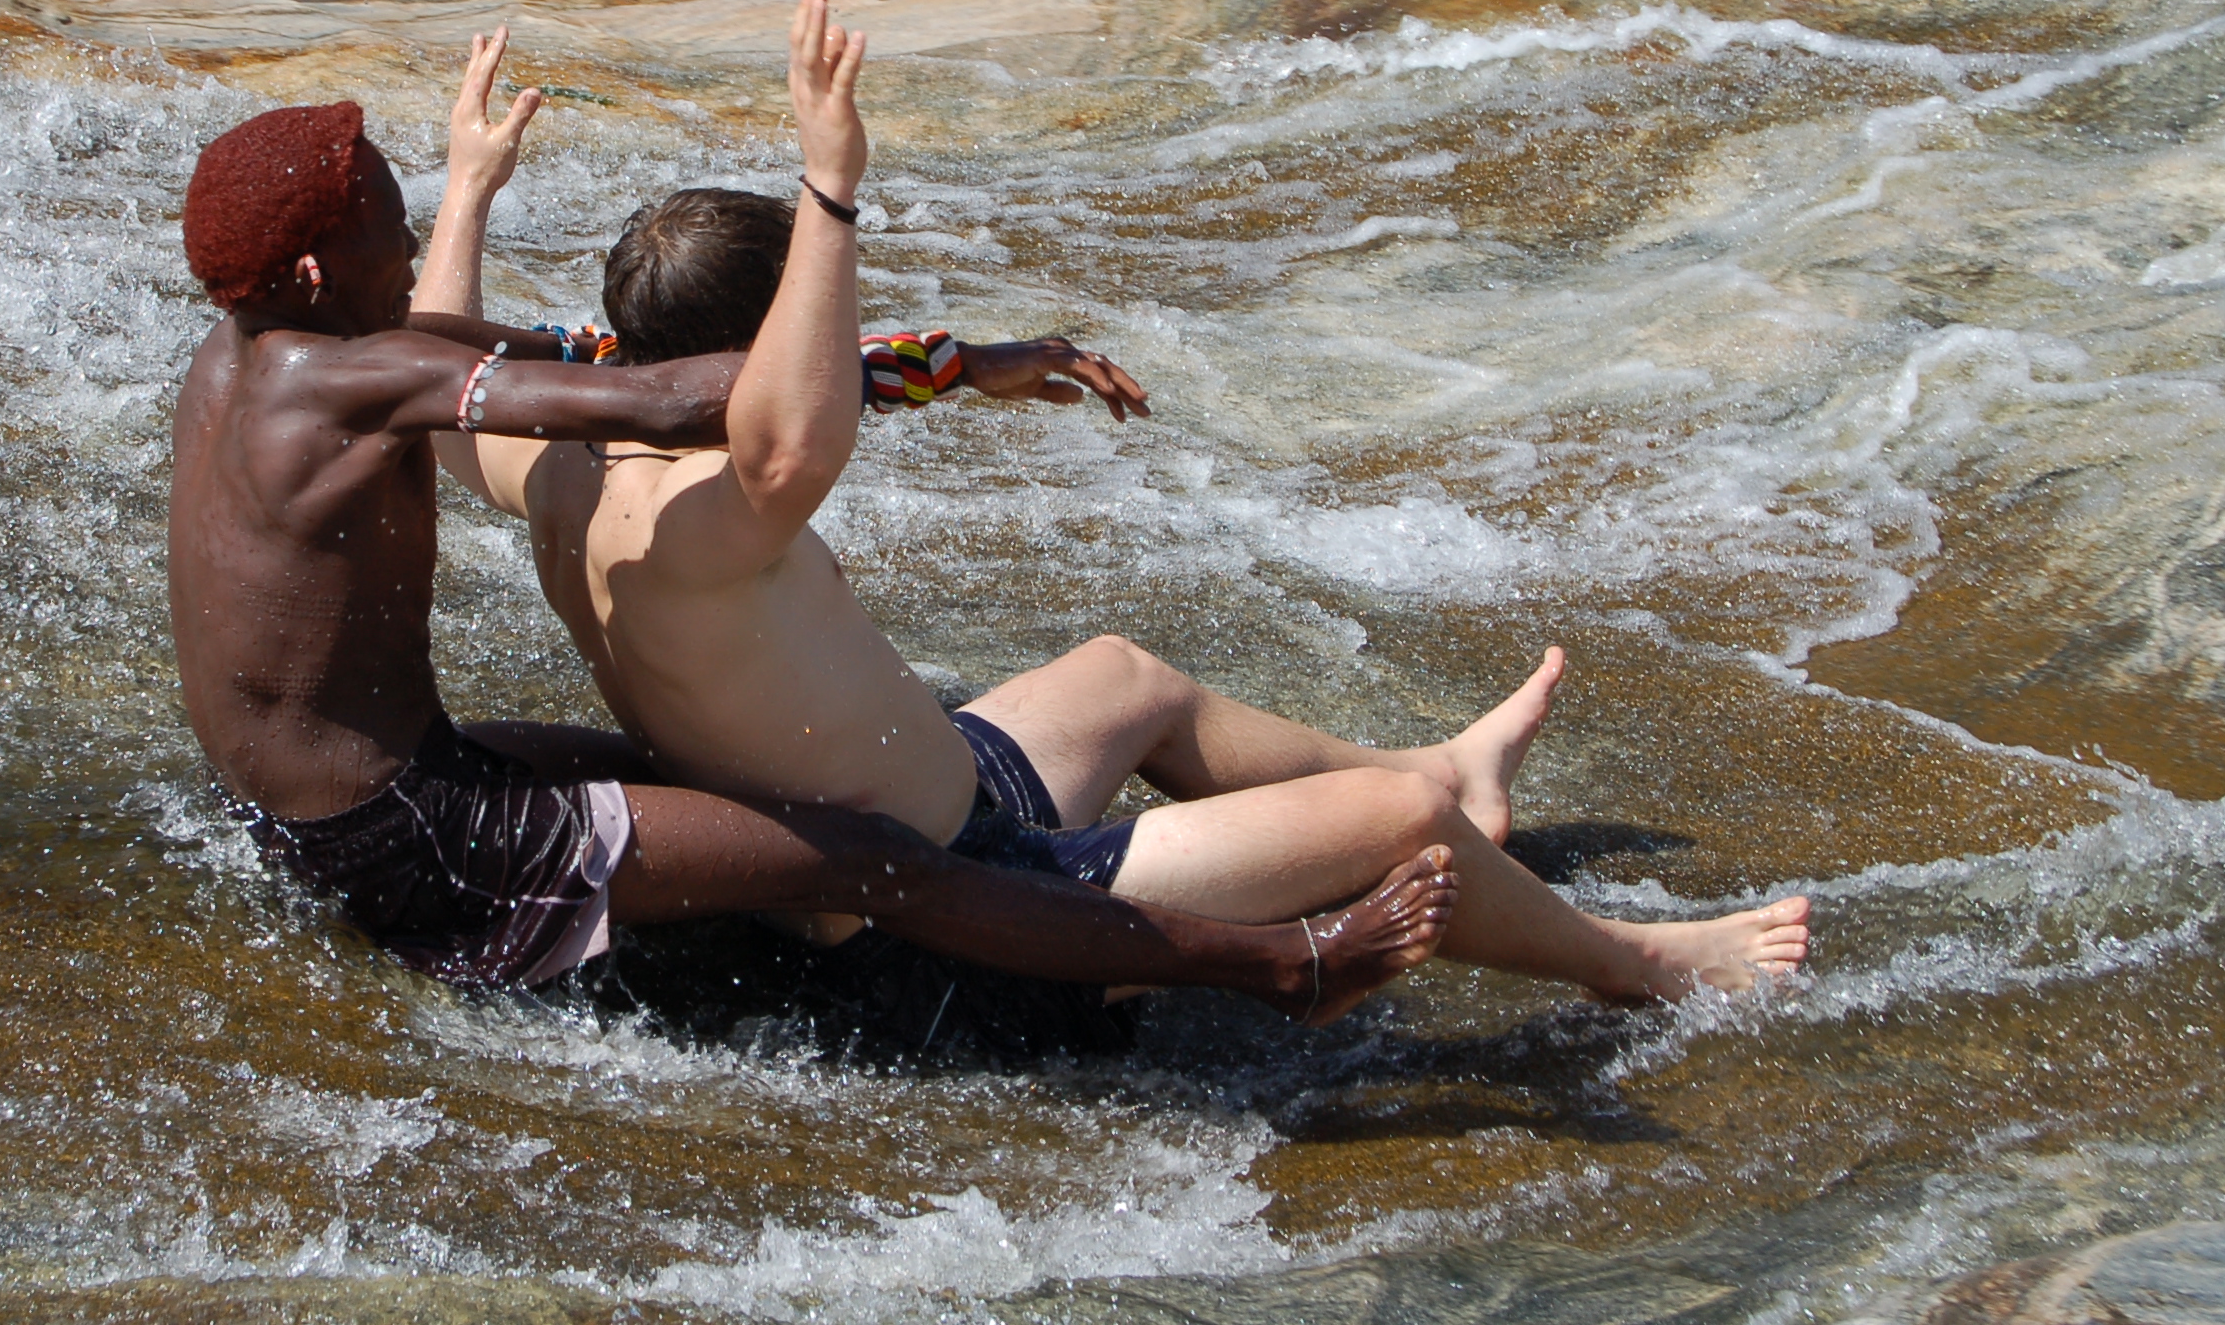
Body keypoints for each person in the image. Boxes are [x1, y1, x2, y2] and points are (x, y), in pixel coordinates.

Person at [423, 0, 1812, 1007]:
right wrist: (830, 191)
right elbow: (797, 433)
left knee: (1123, 675)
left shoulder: (569, 468)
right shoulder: (727, 518)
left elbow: (435, 407)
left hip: (960, 801)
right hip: (954, 910)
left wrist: (469, 191)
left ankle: (1444, 770)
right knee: (1395, 847)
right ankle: (1639, 965)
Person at [164, 86, 1456, 1026]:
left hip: (328, 801)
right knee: (860, 854)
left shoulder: (248, 360)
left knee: (673, 781)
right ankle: (1284, 967)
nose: (408, 245)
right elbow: (687, 402)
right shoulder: (346, 382)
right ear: (326, 268)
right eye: (397, 220)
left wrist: (946, 363)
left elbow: (571, 358)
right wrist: (836, 207)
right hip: (409, 832)